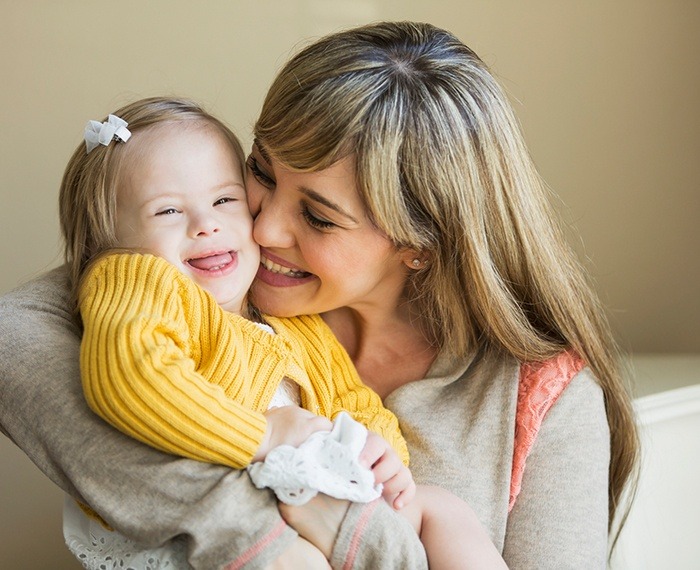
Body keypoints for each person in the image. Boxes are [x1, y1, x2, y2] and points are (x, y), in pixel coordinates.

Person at [0, 21, 638, 570]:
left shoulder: (542, 398)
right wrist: (274, 537)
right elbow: (16, 335)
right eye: (261, 173)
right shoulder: (202, 279)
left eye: (320, 217)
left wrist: (362, 508)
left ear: (422, 244)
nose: (263, 225)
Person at [61, 96, 501, 570]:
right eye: (167, 211)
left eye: (226, 199)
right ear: (110, 242)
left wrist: (379, 452)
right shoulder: (140, 282)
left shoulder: (291, 322)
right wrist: (262, 436)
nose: (206, 224)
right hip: (210, 521)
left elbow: (348, 398)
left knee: (442, 509)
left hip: (305, 488)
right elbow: (131, 378)